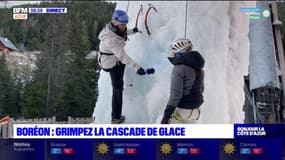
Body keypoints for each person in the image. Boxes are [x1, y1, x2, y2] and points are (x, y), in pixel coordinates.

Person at [98, 10, 146, 124]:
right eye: (122, 24)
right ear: (115, 23)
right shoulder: (111, 40)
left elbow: (122, 33)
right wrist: (137, 68)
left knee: (122, 65)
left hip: (114, 59)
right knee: (117, 89)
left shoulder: (114, 29)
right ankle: (115, 118)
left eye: (125, 24)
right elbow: (123, 57)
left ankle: (122, 81)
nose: (124, 27)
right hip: (109, 64)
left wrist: (132, 31)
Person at [161, 38, 205, 124]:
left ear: (179, 53)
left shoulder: (179, 69)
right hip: (196, 112)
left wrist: (166, 117)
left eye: (174, 54)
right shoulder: (199, 69)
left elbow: (175, 95)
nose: (172, 56)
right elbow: (201, 89)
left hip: (182, 111)